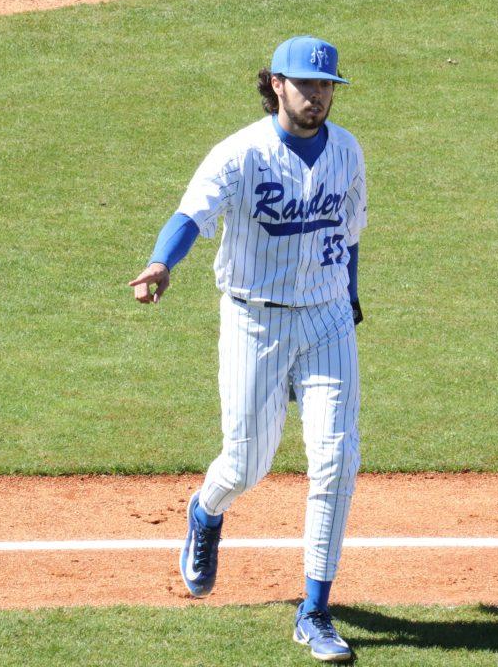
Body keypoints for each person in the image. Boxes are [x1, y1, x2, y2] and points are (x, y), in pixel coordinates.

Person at [128, 35, 367, 662]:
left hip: (327, 320)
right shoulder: (240, 155)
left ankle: (314, 610)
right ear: (277, 85)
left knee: (337, 459)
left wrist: (352, 297)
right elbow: (190, 217)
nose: (318, 96)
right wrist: (161, 263)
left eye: (327, 87)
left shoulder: (346, 152)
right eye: (306, 85)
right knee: (246, 463)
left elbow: (350, 231)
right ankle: (206, 512)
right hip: (253, 322)